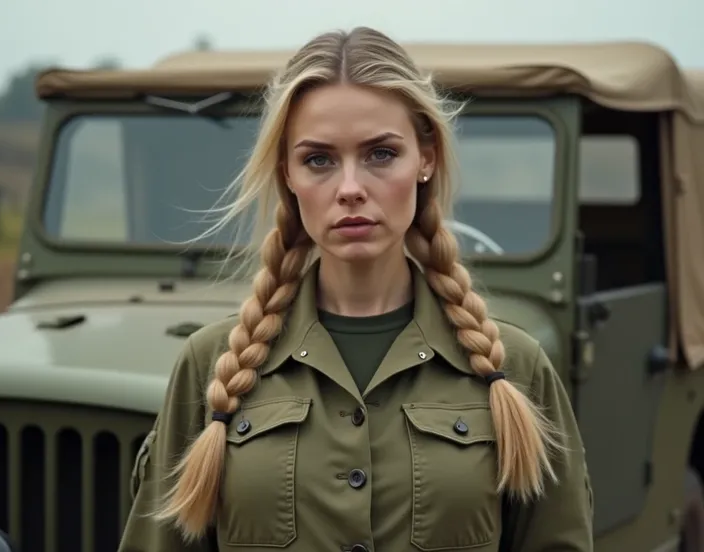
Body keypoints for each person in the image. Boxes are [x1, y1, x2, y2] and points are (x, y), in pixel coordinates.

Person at [118, 26, 593, 552]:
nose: (349, 189)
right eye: (318, 160)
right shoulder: (209, 369)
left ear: (426, 158)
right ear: (288, 175)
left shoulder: (515, 371)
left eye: (381, 154)